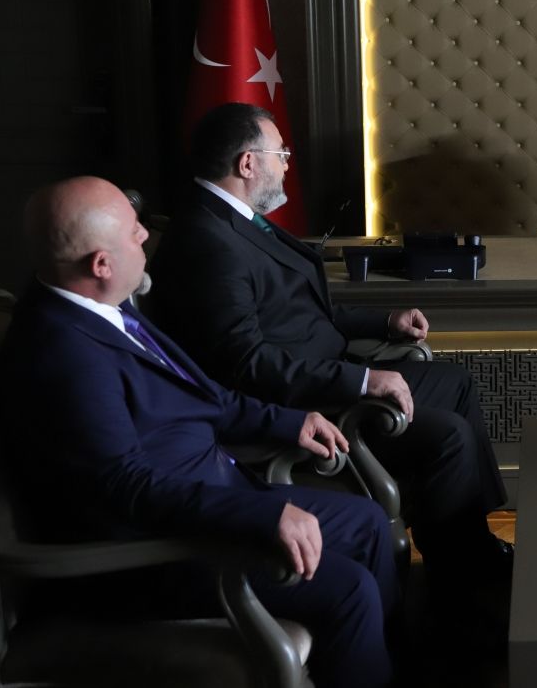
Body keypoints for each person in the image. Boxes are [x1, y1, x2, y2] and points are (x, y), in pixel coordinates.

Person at [0, 177, 396, 688]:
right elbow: (124, 486)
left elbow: (207, 397)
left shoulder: (104, 307)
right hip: (152, 554)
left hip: (209, 496)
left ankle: (387, 663)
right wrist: (262, 513)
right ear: (101, 265)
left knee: (367, 523)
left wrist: (291, 421)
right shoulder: (62, 352)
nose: (146, 235)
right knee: (348, 589)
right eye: (134, 231)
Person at [148, 102, 510, 608]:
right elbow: (245, 365)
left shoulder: (238, 219)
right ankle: (463, 589)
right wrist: (362, 383)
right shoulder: (208, 240)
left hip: (329, 369)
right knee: (447, 436)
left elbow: (305, 312)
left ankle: (472, 542)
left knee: (457, 383)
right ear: (248, 163)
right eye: (281, 154)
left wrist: (385, 322)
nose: (287, 165)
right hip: (303, 403)